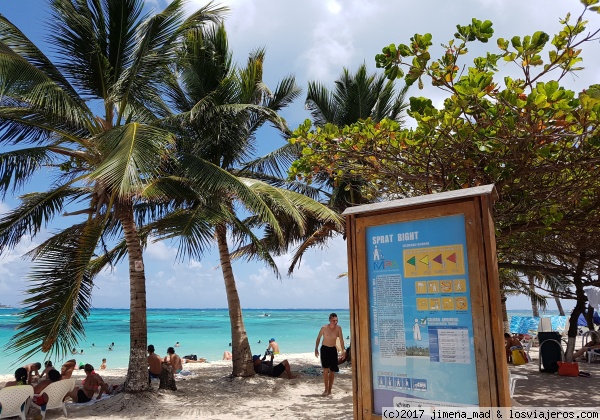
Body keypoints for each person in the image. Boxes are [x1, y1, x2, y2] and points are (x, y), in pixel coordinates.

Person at [315, 312, 345, 396]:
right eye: (333, 320)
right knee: (325, 369)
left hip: (333, 349)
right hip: (324, 349)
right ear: (329, 320)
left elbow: (341, 340)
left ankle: (330, 390)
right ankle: (326, 389)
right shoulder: (324, 328)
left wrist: (343, 351)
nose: (335, 322)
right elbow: (318, 338)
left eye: (336, 320)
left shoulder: (338, 328)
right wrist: (316, 348)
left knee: (332, 370)